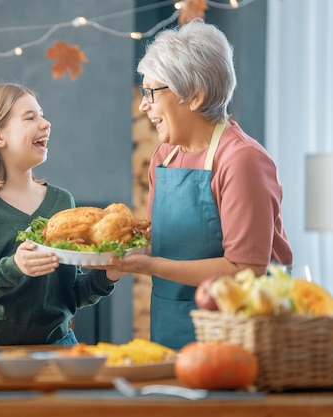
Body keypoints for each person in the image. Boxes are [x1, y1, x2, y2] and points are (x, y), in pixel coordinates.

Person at [107, 20, 293, 350]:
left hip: (233, 334)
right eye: (143, 91)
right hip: (168, 328)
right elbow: (155, 242)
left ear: (195, 95)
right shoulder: (164, 157)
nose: (143, 105)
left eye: (152, 92)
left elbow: (245, 270)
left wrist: (149, 265)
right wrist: (103, 250)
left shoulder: (241, 160)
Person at [0, 83, 123, 349]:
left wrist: (109, 274)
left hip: (59, 344)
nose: (46, 123)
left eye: (42, 114)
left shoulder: (62, 202)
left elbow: (72, 294)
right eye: (30, 117)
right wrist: (14, 268)